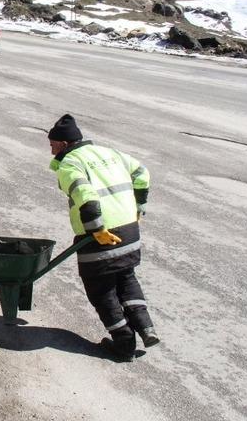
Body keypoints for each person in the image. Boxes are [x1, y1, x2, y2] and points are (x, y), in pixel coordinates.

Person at [47, 114, 159, 361]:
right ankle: (146, 327)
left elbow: (86, 196)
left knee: (101, 290)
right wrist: (139, 206)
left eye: (53, 143)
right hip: (129, 230)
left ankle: (123, 344)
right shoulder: (111, 153)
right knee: (126, 278)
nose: (51, 148)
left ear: (64, 144)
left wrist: (96, 228)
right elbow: (142, 173)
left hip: (100, 235)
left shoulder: (70, 164)